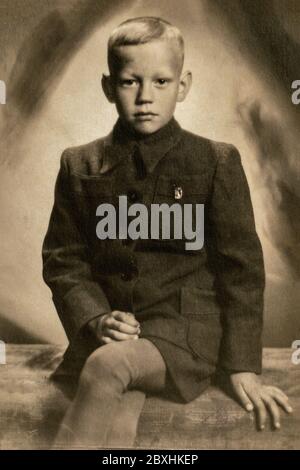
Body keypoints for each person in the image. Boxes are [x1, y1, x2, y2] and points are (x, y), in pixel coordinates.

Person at [42, 16, 292, 448]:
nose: (145, 97)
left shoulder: (215, 162)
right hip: (116, 338)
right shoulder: (78, 165)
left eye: (161, 81)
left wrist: (241, 366)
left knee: (107, 369)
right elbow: (64, 260)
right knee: (118, 402)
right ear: (107, 87)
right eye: (129, 82)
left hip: (186, 336)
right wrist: (97, 318)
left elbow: (242, 271)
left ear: (183, 85)